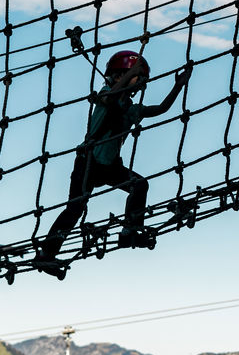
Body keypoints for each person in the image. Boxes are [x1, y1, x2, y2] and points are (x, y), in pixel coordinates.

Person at [35, 50, 191, 277]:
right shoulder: (106, 94)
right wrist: (132, 74)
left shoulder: (130, 108)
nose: (140, 83)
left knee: (139, 185)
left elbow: (160, 109)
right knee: (75, 208)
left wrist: (178, 86)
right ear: (119, 76)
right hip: (87, 162)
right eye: (137, 76)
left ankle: (130, 230)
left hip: (110, 166)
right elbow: (110, 98)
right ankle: (46, 254)